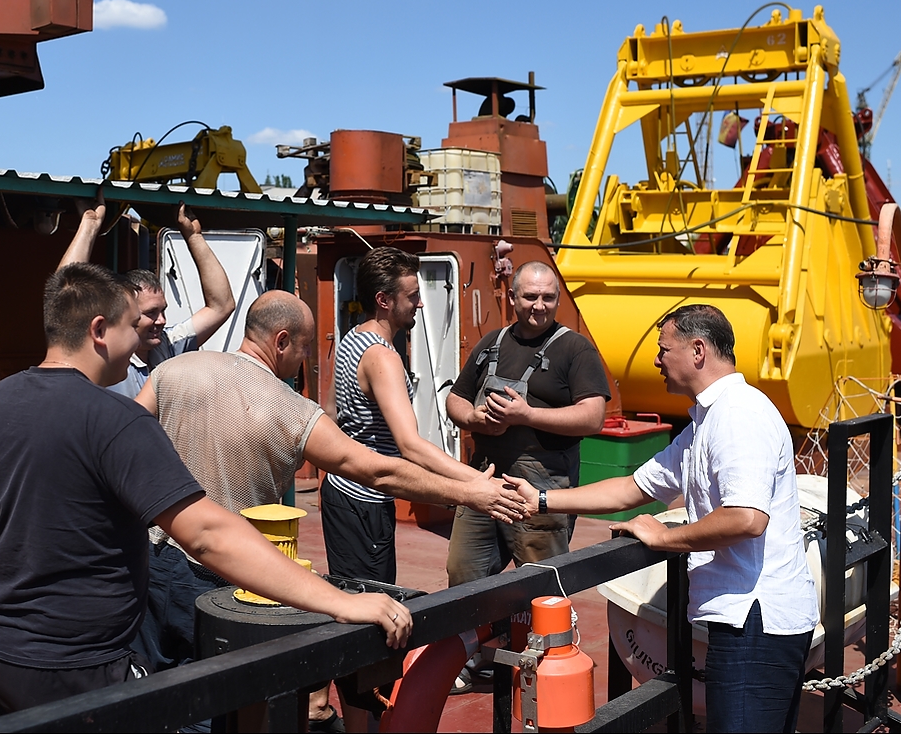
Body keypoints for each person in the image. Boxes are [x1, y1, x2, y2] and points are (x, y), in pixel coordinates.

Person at [0, 264, 411, 720]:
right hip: (74, 668)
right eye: (131, 326)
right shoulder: (115, 419)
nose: (143, 338)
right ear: (99, 331)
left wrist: (1, 598)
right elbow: (206, 534)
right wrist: (340, 601)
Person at [131, 290, 527, 670]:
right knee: (214, 696)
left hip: (149, 560)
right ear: (281, 341)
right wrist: (468, 492)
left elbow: (124, 443)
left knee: (145, 689)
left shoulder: (172, 370)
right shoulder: (289, 409)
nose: (305, 357)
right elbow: (378, 470)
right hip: (223, 574)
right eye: (304, 347)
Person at [508, 304, 817, 733]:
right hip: (745, 621)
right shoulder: (707, 422)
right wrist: (541, 499)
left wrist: (664, 537)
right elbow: (632, 487)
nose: (656, 360)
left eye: (663, 349)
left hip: (756, 622)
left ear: (697, 351)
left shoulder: (738, 415)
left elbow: (747, 518)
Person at [443, 260, 610, 692]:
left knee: (542, 583)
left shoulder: (575, 349)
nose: (539, 305)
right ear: (513, 297)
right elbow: (455, 400)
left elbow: (593, 416)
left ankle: (550, 672)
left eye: (548, 297)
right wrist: (475, 418)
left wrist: (526, 415)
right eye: (531, 296)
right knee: (464, 572)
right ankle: (474, 657)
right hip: (483, 480)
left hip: (540, 487)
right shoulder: (492, 343)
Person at [322, 247, 506, 586]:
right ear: (384, 300)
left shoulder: (352, 338)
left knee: (351, 596)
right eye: (412, 296)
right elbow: (410, 445)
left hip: (341, 492)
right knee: (371, 603)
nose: (420, 304)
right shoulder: (382, 357)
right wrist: (476, 482)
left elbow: (332, 411)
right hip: (365, 501)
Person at [58, 193, 236, 397]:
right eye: (151, 313)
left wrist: (194, 236)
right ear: (125, 313)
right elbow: (65, 296)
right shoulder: (104, 352)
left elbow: (222, 306)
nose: (162, 321)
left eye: (163, 311)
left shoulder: (167, 345)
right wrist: (89, 225)